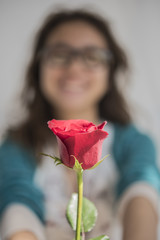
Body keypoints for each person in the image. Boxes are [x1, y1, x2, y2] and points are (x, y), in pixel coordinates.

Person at [0, 9, 159, 240]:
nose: (74, 67)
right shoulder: (17, 147)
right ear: (38, 66)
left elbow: (141, 192)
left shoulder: (134, 143)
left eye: (92, 56)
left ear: (111, 71)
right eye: (59, 54)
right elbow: (17, 205)